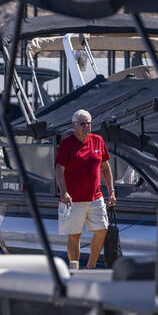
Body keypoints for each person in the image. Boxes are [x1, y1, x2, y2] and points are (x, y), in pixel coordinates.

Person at [54, 109, 116, 269]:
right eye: (83, 124)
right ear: (74, 125)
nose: (86, 126)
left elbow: (105, 166)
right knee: (75, 235)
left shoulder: (98, 140)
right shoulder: (66, 144)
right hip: (73, 199)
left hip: (96, 196)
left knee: (102, 229)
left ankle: (90, 267)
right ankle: (74, 269)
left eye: (89, 123)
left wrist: (111, 190)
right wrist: (63, 191)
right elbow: (59, 169)